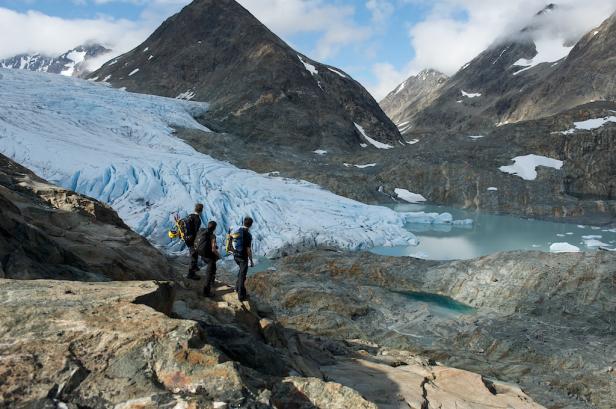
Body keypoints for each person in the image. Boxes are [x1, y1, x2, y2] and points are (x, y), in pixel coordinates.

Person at [230, 217, 254, 302]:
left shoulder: (237, 230)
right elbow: (248, 249)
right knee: (242, 276)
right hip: (243, 257)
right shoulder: (248, 235)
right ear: (251, 225)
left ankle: (237, 288)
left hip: (235, 255)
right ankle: (241, 296)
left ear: (244, 223)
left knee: (241, 272)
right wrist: (251, 260)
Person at [198, 221, 221, 297]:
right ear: (214, 228)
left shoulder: (202, 230)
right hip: (208, 256)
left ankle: (212, 282)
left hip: (201, 253)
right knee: (210, 271)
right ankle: (206, 292)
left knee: (212, 266)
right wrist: (219, 255)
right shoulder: (212, 235)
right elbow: (213, 249)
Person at [185, 203, 204, 280]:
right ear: (201, 211)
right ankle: (191, 274)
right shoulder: (197, 219)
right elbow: (196, 232)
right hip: (192, 240)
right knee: (194, 256)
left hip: (187, 238)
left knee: (193, 254)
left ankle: (194, 269)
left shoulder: (189, 216)